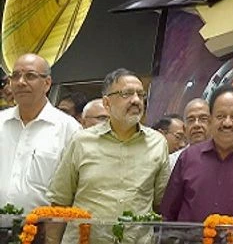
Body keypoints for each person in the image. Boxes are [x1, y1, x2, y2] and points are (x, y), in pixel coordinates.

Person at [49, 68, 169, 241]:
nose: (136, 100)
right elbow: (60, 202)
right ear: (107, 103)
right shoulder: (81, 141)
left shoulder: (158, 143)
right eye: (126, 94)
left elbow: (159, 204)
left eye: (140, 94)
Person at [161, 85, 233, 224]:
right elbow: (168, 215)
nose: (227, 123)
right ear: (210, 120)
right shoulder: (188, 158)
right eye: (220, 116)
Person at [0, 54, 80, 212]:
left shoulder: (69, 129)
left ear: (47, 83)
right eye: (15, 76)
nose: (21, 82)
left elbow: (75, 188)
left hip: (43, 230)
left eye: (30, 76)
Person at [168, 98, 211, 171]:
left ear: (212, 124)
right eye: (191, 120)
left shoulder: (224, 157)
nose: (196, 125)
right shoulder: (173, 162)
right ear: (184, 129)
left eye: (203, 119)